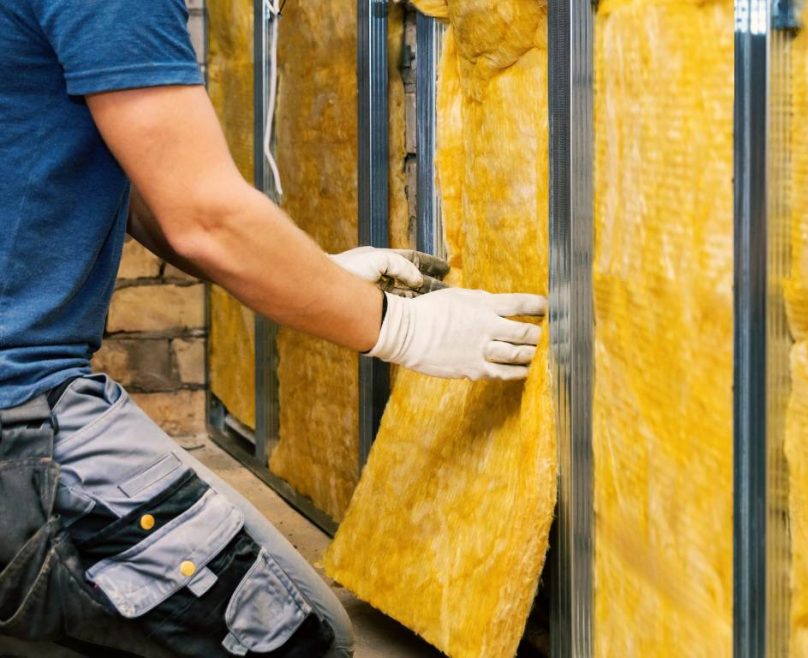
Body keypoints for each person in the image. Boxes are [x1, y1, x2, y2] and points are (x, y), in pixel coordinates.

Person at [0, 0, 547, 655]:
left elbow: (141, 174)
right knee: (293, 634)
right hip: (19, 417)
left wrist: (314, 271)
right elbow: (205, 217)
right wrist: (404, 330)